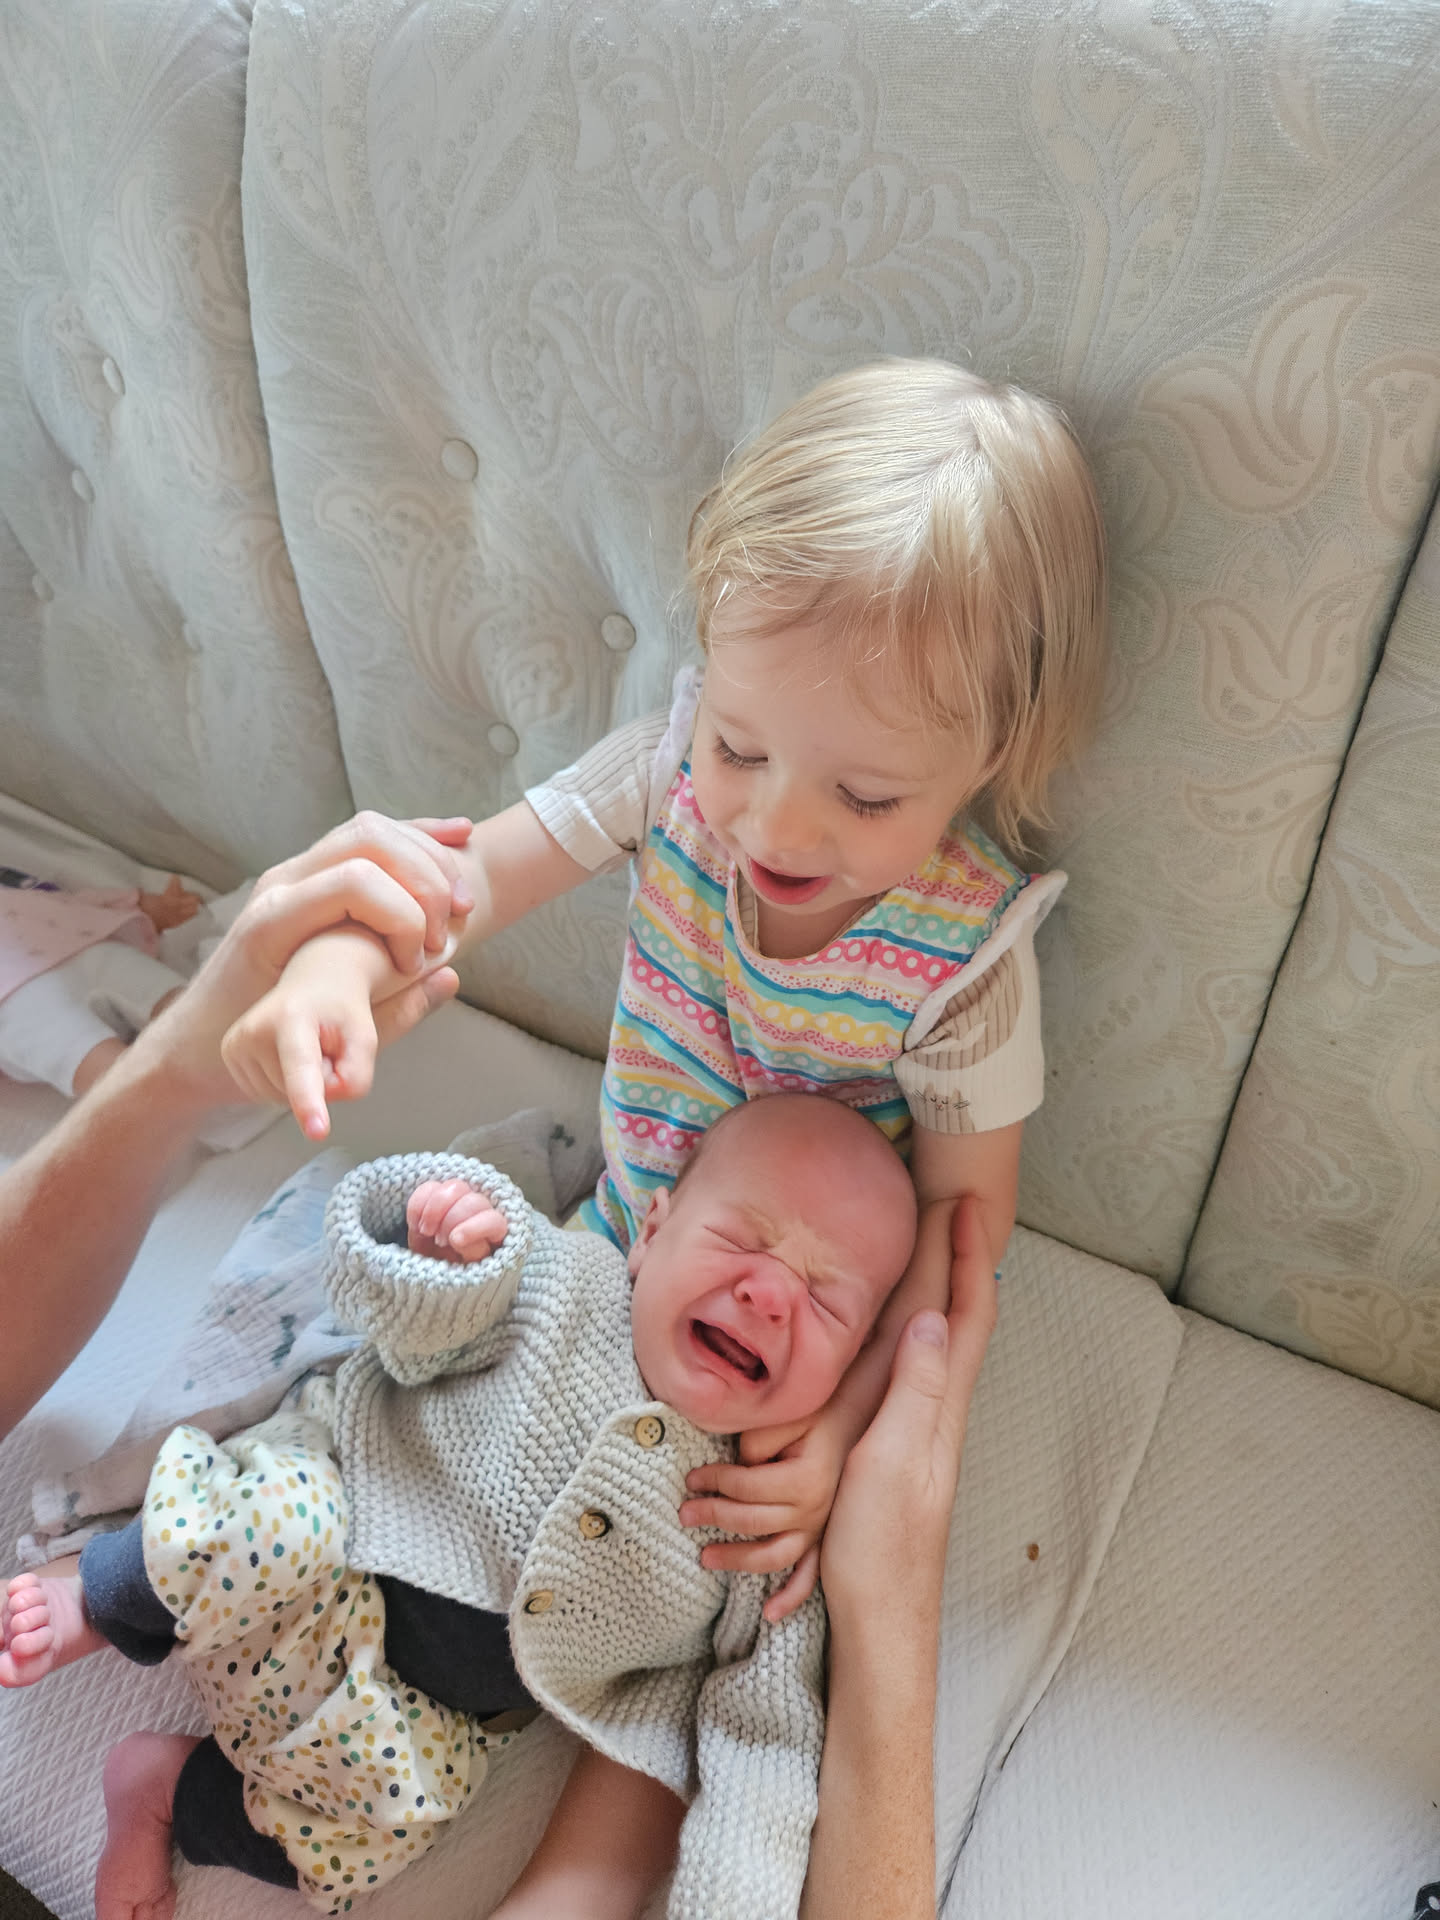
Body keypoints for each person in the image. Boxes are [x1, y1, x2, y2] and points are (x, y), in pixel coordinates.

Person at [221, 355, 1106, 1614]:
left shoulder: (970, 960)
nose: (776, 828)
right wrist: (337, 968)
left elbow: (964, 1235)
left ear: (993, 752)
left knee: (705, 1604)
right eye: (740, 746)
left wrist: (844, 1429)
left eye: (865, 797)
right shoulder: (662, 777)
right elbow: (458, 881)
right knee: (376, 1447)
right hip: (606, 1249)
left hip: (784, 1345)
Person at [4, 1095, 925, 1920]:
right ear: (651, 1234)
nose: (770, 1295)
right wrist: (446, 1256)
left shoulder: (764, 1522)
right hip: (331, 1529)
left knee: (380, 1833)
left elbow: (762, 1727)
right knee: (266, 1521)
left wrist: (735, 1894)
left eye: (826, 1302)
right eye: (741, 1241)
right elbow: (399, 1327)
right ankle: (103, 1598)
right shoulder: (566, 1283)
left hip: (399, 1712)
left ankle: (166, 1790)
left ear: (849, 1377)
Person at [0, 812, 476, 1443]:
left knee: (160, 1000)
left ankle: (203, 1051)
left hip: (86, 946)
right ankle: (169, 1077)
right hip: (24, 1002)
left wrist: (146, 908)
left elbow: (60, 899)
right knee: (83, 1053)